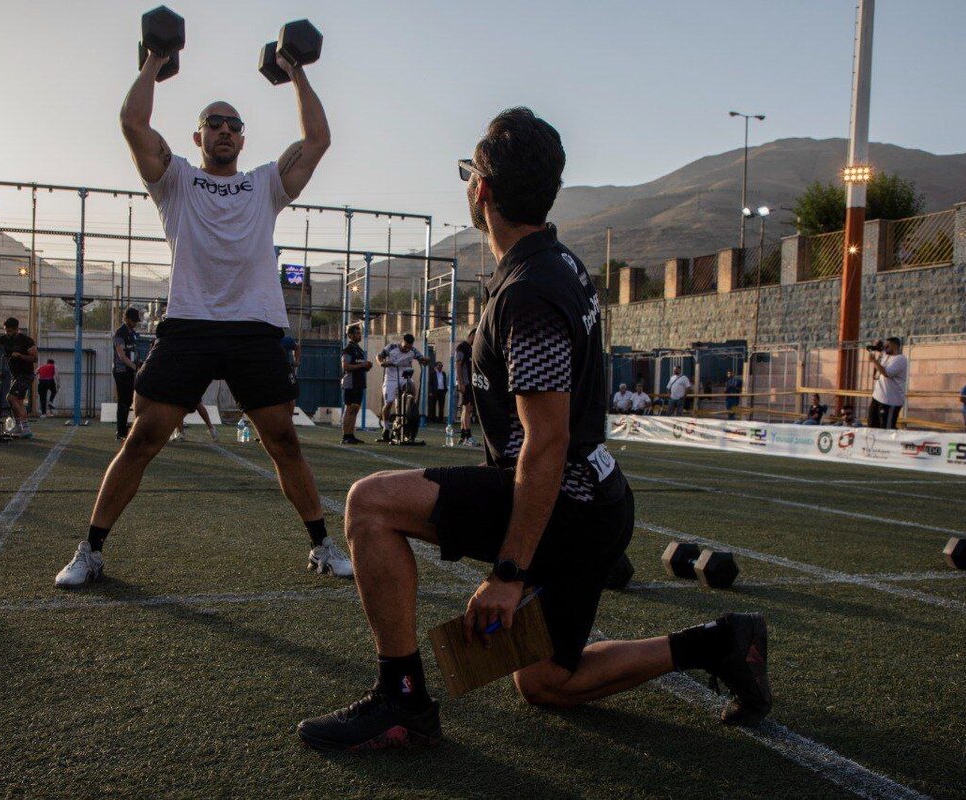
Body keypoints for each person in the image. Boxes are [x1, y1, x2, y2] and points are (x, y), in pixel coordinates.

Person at [298, 109, 770, 751]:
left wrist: (511, 569)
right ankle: (719, 643)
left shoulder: (531, 290)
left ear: (482, 190)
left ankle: (401, 700)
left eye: (469, 173)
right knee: (547, 683)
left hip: (565, 503)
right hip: (595, 501)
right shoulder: (552, 266)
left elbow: (544, 440)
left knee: (370, 504)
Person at [55, 41, 349, 588]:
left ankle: (323, 546)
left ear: (242, 137)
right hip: (190, 325)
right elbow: (132, 121)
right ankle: (91, 551)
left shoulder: (266, 183)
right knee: (143, 437)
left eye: (234, 124)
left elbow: (317, 140)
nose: (225, 131)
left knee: (284, 440)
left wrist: (296, 73)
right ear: (198, 136)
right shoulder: (177, 180)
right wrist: (152, 61)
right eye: (214, 123)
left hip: (255, 327)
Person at [0, 317, 38, 439]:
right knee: (19, 401)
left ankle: (24, 427)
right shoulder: (4, 339)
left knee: (10, 397)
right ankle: (21, 428)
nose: (8, 333)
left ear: (17, 329)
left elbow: (34, 358)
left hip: (26, 374)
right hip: (15, 375)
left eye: (10, 331)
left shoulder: (26, 340)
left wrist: (20, 355)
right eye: (6, 330)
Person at [377, 333, 430, 443]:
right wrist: (382, 363)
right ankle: (386, 428)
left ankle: (408, 413)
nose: (407, 349)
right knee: (389, 403)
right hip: (391, 378)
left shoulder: (413, 350)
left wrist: (425, 360)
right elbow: (379, 356)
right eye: (405, 347)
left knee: (412, 389)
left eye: (409, 347)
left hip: (404, 377)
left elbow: (421, 358)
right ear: (402, 342)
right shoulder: (391, 348)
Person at [113, 307, 142, 441]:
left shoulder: (133, 333)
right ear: (127, 319)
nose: (135, 323)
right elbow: (121, 356)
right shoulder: (120, 333)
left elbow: (135, 352)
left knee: (129, 400)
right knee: (123, 401)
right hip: (121, 371)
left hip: (130, 371)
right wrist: (135, 367)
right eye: (133, 320)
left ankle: (124, 429)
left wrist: (138, 364)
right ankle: (121, 432)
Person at [340, 323, 372, 445]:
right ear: (350, 335)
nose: (360, 335)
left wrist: (366, 366)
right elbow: (345, 366)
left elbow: (359, 365)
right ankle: (345, 436)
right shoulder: (348, 349)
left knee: (355, 409)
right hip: (351, 383)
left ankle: (351, 434)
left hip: (359, 382)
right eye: (357, 333)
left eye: (360, 333)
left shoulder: (358, 349)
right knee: (349, 409)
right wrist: (363, 365)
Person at [868, 337, 907, 430]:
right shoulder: (885, 354)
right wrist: (876, 347)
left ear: (894, 345)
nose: (885, 348)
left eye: (887, 346)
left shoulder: (900, 359)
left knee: (886, 429)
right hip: (877, 397)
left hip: (890, 401)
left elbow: (886, 373)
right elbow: (877, 373)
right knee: (872, 425)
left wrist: (873, 360)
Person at [454, 329, 478, 446]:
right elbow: (458, 364)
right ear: (472, 335)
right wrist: (460, 382)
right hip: (466, 383)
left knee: (466, 409)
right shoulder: (462, 347)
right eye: (477, 337)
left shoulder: (470, 349)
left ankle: (463, 436)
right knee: (468, 409)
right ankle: (468, 436)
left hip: (470, 383)